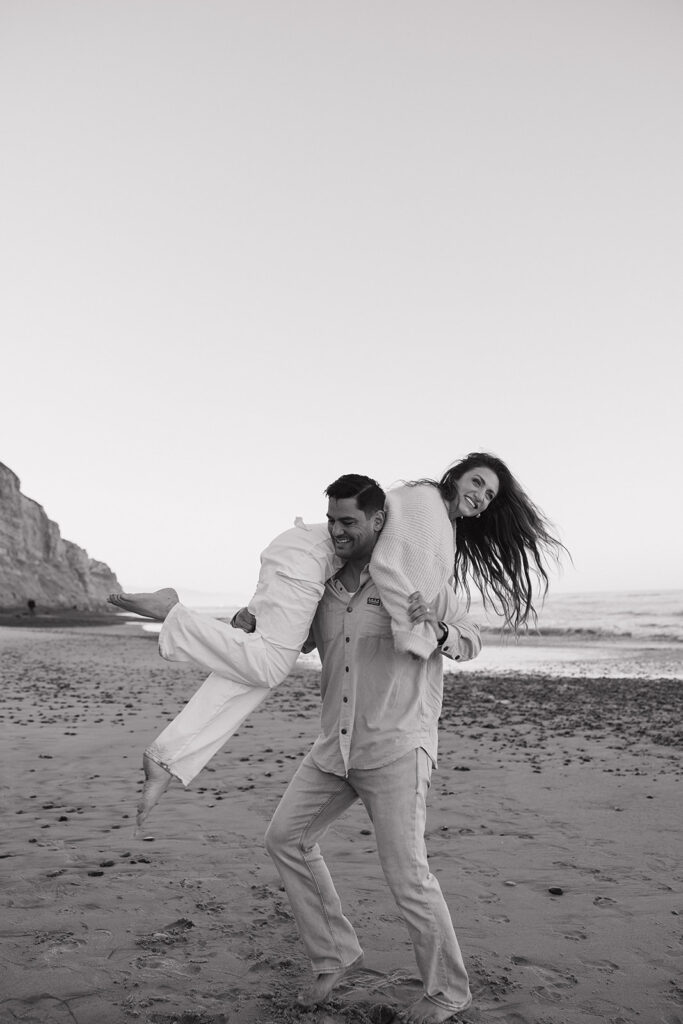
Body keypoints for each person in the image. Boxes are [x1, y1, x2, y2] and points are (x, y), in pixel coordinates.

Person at [110, 453, 565, 827]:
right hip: (304, 560)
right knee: (268, 664)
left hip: (301, 560)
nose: (481, 496)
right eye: (478, 482)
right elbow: (393, 572)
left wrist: (431, 626)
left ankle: (168, 757)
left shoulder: (428, 520)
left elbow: (380, 602)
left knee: (256, 665)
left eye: (489, 495)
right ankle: (172, 612)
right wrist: (411, 626)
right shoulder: (429, 511)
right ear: (457, 474)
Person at [263, 473, 479, 1022]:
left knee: (408, 878)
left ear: (379, 521)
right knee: (286, 838)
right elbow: (288, 635)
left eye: (348, 521)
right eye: (332, 519)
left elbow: (472, 637)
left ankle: (448, 992)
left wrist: (442, 631)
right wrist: (251, 621)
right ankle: (334, 952)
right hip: (335, 747)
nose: (336, 530)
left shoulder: (414, 579)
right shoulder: (326, 587)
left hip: (397, 747)